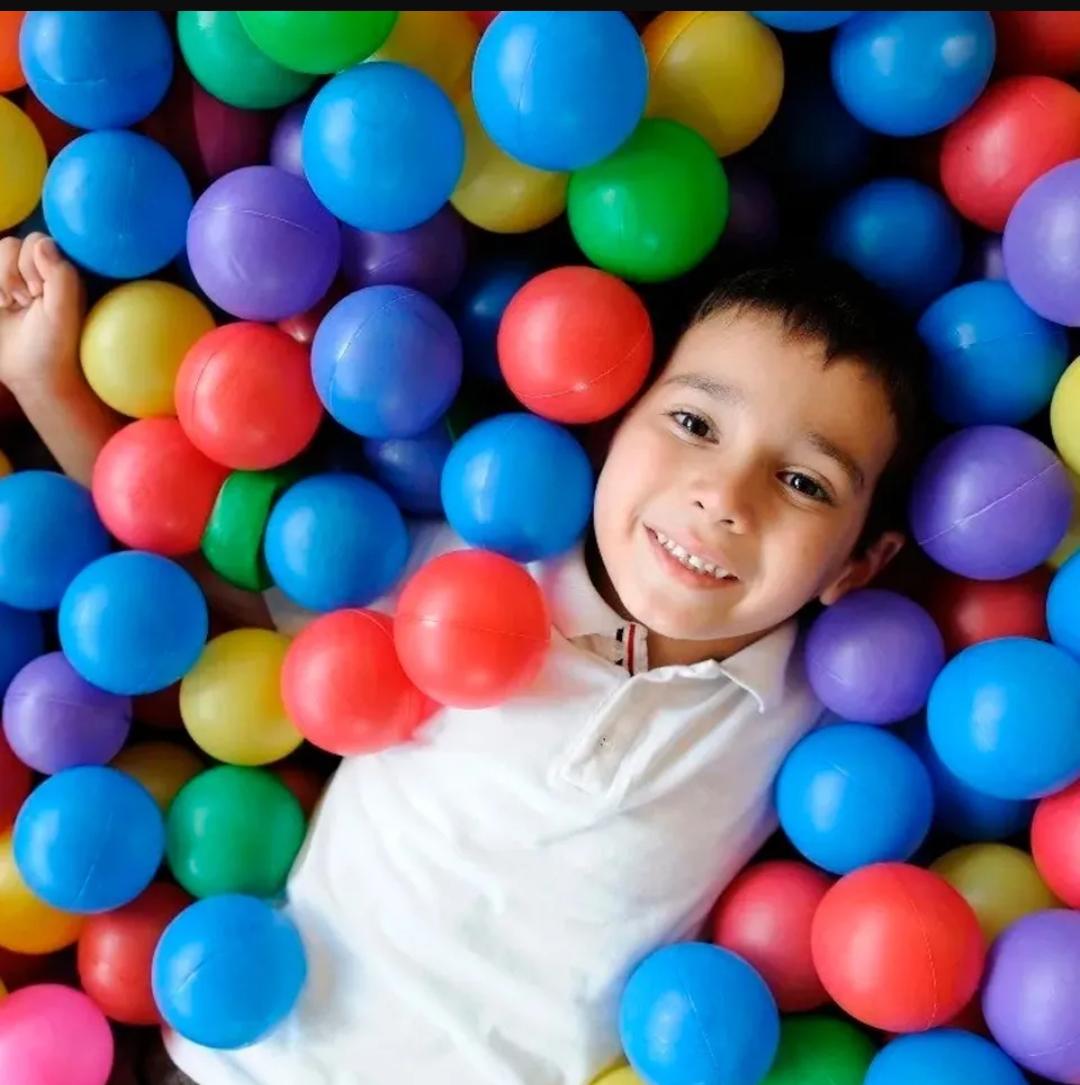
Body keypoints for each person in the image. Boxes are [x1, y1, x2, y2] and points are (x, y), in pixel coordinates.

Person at [0, 232, 928, 1085]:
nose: (723, 497)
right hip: (250, 1062)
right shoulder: (468, 566)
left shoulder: (819, 703)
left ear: (857, 563)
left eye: (804, 482)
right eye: (693, 424)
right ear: (611, 421)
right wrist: (46, 383)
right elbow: (188, 594)